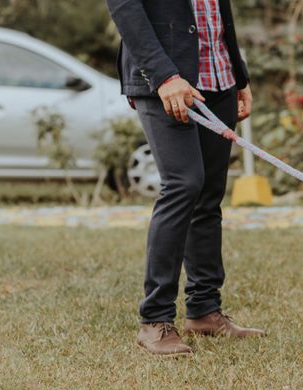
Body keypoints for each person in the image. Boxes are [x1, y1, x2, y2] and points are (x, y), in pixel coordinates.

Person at [106, 0, 265, 355]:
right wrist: (164, 76)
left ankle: (205, 311)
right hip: (165, 81)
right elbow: (124, 7)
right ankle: (155, 320)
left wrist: (238, 75)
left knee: (208, 195)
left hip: (219, 77)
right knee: (183, 184)